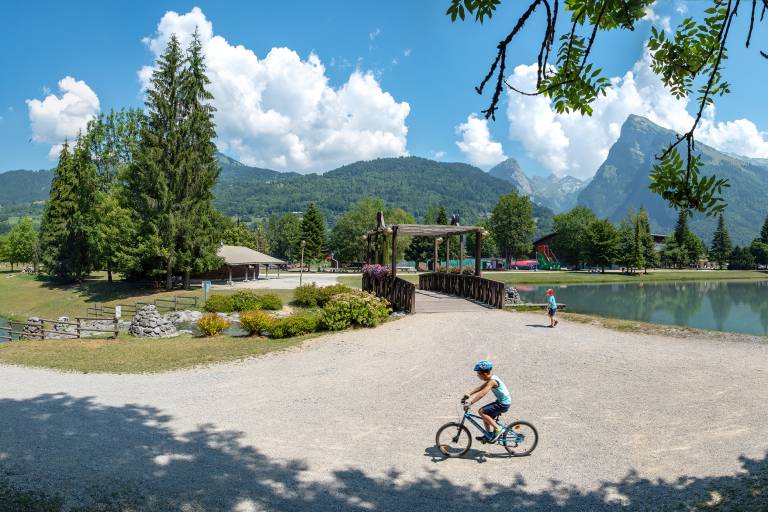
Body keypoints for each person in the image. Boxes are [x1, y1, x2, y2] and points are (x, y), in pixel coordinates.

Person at [462, 360, 511, 442]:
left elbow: (483, 393)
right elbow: (480, 388)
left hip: (503, 404)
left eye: (478, 374)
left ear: (484, 374)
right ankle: (488, 435)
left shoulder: (492, 381)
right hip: (502, 402)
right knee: (486, 415)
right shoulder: (491, 379)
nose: (477, 375)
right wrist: (469, 393)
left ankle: (498, 429)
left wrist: (471, 402)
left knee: (481, 411)